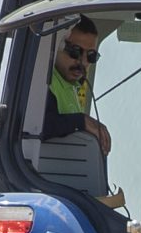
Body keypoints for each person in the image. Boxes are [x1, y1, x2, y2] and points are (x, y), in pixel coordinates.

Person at [38, 16, 113, 153]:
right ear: (57, 46)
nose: (83, 62)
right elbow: (37, 127)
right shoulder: (42, 81)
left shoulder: (71, 87)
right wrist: (80, 122)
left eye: (91, 56)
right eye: (75, 51)